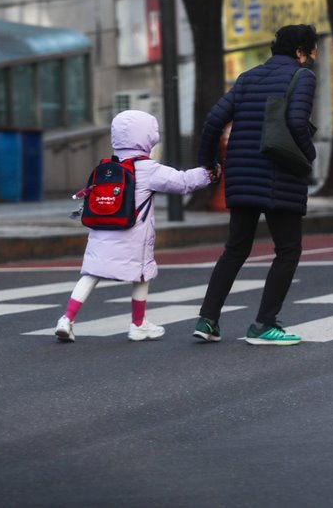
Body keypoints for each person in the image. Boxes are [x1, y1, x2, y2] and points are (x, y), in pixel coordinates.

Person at [194, 24, 318, 346]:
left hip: (241, 174)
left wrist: (210, 164)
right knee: (288, 250)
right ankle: (264, 324)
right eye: (312, 50)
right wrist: (309, 155)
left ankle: (207, 320)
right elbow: (295, 122)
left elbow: (212, 121)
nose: (313, 56)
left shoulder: (248, 77)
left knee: (236, 249)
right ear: (301, 52)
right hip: (280, 174)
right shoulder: (302, 76)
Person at [55, 110, 219, 343]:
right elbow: (182, 182)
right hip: (132, 235)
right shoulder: (148, 168)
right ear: (148, 137)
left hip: (101, 232)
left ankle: (66, 319)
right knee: (141, 275)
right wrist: (208, 174)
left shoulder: (107, 167)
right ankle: (138, 324)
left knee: (91, 274)